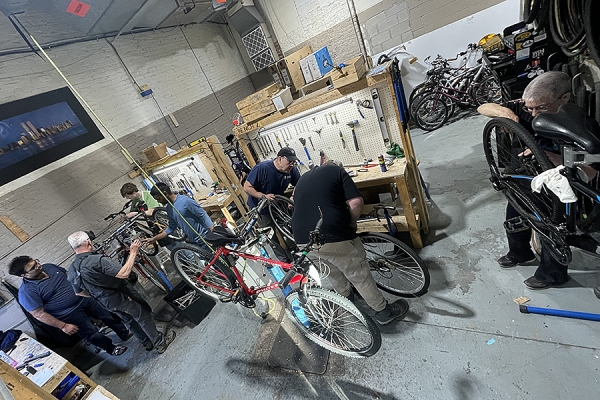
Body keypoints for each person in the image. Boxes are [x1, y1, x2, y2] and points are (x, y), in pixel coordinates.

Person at [478, 71, 590, 289]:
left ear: (564, 98)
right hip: (526, 174)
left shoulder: (580, 121)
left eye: (541, 108)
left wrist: (557, 157)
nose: (534, 113)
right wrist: (504, 113)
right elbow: (482, 107)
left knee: (552, 226)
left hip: (558, 181)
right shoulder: (529, 106)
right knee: (515, 210)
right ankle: (520, 253)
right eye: (530, 108)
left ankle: (553, 275)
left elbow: (594, 162)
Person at [291, 161, 409, 325]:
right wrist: (351, 223)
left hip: (302, 239)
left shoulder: (302, 179)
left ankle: (347, 298)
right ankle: (383, 311)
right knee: (358, 274)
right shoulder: (338, 171)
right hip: (330, 233)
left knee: (331, 270)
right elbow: (355, 203)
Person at [66, 231, 175, 354]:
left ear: (73, 248)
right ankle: (160, 342)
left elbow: (79, 293)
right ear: (88, 242)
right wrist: (133, 252)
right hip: (121, 296)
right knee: (142, 315)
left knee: (128, 320)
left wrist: (97, 294)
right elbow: (124, 273)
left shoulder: (72, 270)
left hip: (105, 302)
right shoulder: (96, 260)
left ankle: (146, 342)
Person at [8, 256, 130, 356]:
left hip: (84, 298)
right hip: (69, 314)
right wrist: (63, 326)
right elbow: (39, 314)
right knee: (90, 333)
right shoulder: (27, 292)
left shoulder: (49, 267)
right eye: (33, 267)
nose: (38, 266)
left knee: (108, 315)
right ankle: (111, 348)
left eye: (36, 262)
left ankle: (124, 333)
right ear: (23, 275)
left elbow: (68, 275)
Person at [243, 147, 301, 262]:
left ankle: (296, 253)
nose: (291, 165)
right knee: (271, 235)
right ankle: (284, 261)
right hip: (261, 206)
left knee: (288, 227)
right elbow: (246, 187)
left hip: (277, 203)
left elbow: (299, 183)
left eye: (293, 162)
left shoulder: (291, 170)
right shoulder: (262, 168)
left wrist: (293, 196)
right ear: (280, 159)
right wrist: (263, 196)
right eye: (289, 162)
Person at [146, 182, 213, 249]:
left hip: (205, 238)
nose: (158, 201)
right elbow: (171, 228)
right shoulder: (169, 209)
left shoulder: (185, 201)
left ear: (165, 193)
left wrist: (213, 233)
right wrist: (155, 238)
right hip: (194, 243)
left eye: (159, 199)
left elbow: (203, 215)